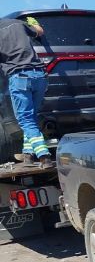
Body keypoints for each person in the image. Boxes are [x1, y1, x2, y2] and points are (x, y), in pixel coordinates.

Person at [0, 16, 52, 167]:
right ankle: (28, 155)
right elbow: (40, 31)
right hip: (40, 76)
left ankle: (44, 156)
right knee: (31, 118)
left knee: (25, 119)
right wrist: (34, 22)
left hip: (20, 78)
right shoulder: (17, 23)